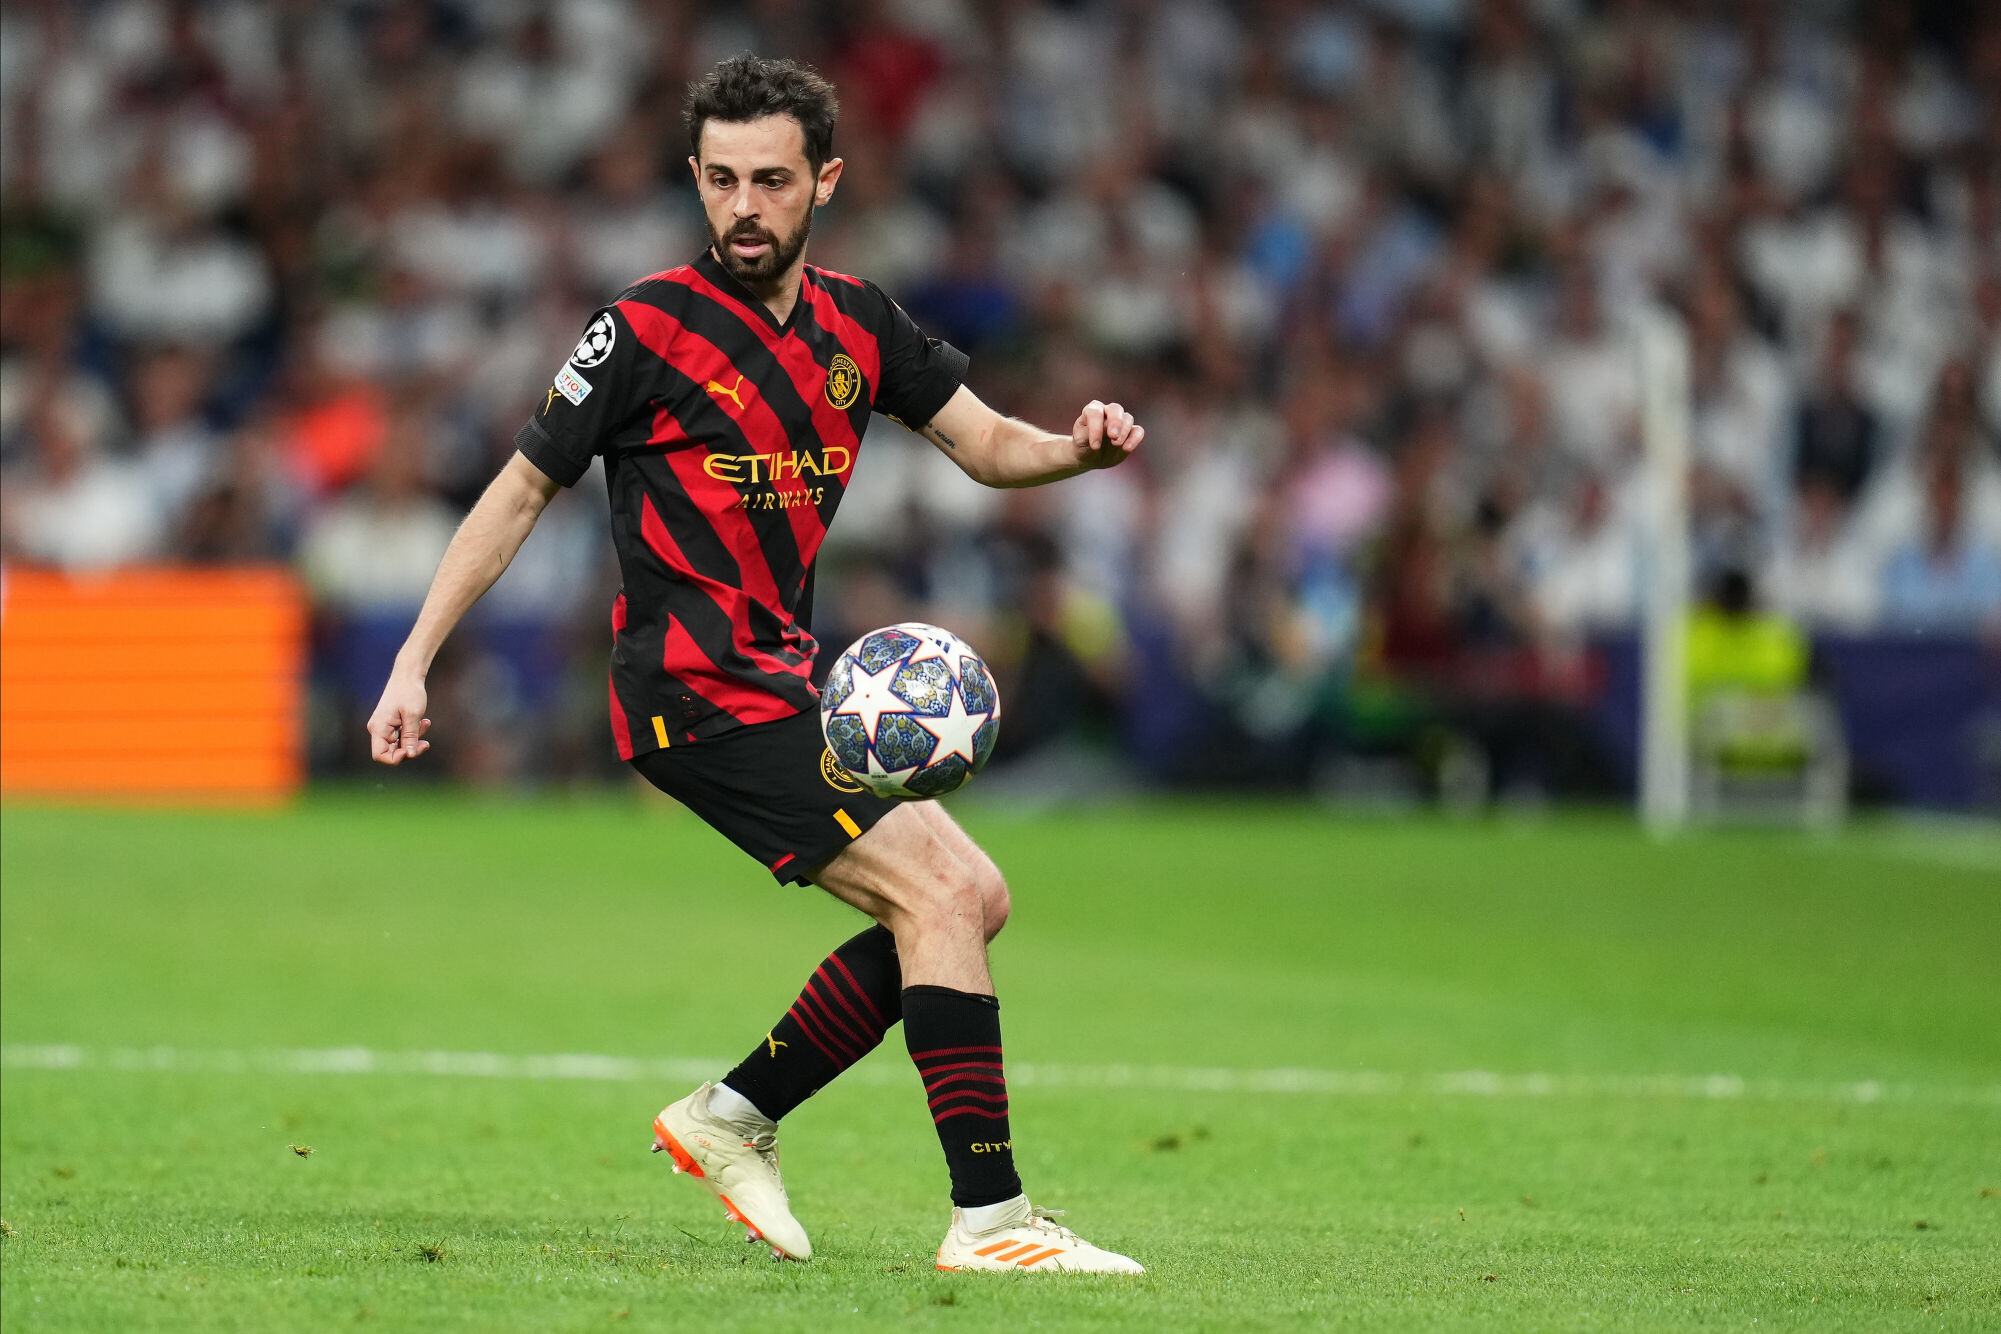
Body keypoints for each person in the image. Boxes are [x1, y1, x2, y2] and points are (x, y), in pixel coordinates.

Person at [366, 56, 1145, 1275]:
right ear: (695, 178)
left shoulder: (859, 324)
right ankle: (991, 1220)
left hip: (785, 684)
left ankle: (732, 1115)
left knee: (972, 898)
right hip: (692, 695)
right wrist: (414, 658)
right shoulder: (643, 329)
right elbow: (518, 491)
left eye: (771, 180)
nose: (743, 205)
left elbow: (990, 444)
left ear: (824, 180)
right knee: (941, 896)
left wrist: (1077, 450)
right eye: (721, 178)